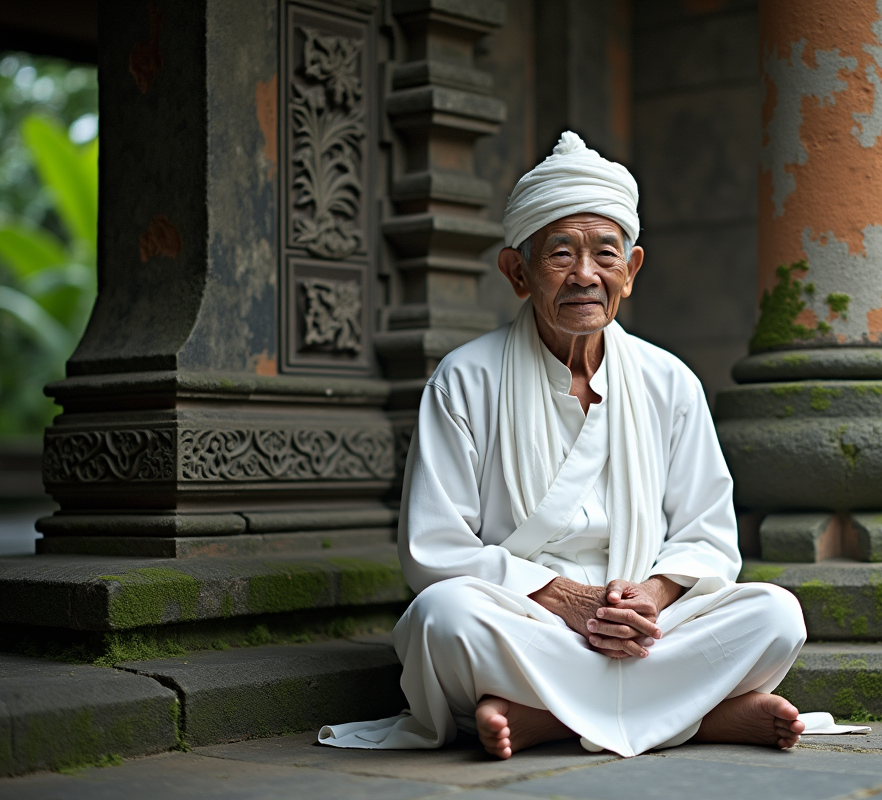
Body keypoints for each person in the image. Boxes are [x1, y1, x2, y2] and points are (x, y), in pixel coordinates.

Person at [318, 131, 807, 759]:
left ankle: (544, 720)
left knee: (775, 614)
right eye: (560, 255)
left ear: (630, 273)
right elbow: (434, 548)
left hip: (642, 623)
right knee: (445, 619)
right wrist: (565, 602)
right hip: (527, 616)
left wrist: (649, 599)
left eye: (606, 253)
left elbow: (708, 534)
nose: (585, 275)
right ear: (517, 272)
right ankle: (699, 715)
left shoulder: (670, 381)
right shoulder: (464, 380)